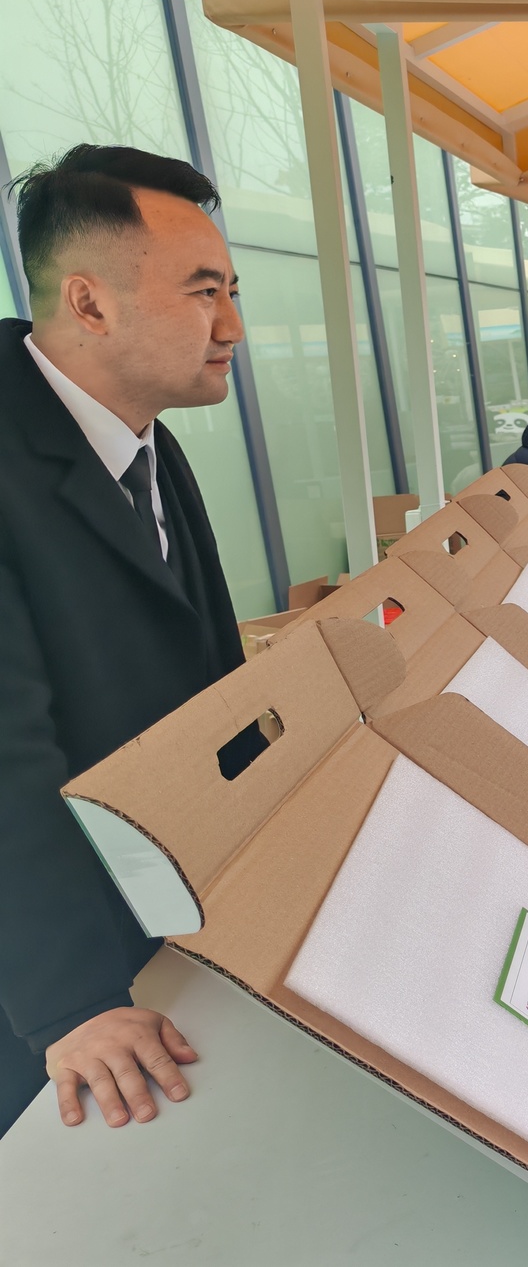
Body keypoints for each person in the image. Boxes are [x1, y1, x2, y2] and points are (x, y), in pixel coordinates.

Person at [0, 145, 255, 1134]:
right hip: (62, 1013)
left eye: (232, 291)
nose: (232, 327)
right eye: (203, 292)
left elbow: (211, 678)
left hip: (163, 932)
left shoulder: (146, 440)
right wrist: (71, 1003)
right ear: (89, 303)